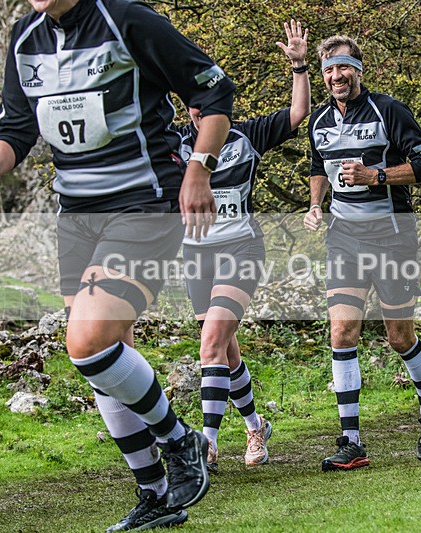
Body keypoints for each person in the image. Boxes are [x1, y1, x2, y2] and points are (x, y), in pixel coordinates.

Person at [0, 0, 235, 530]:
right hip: (77, 217)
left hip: (144, 203)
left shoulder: (128, 20)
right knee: (107, 358)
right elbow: (16, 129)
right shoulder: (25, 37)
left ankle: (181, 441)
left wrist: (199, 168)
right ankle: (156, 494)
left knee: (86, 342)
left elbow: (215, 91)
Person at [172, 20, 310, 473]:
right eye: (192, 108)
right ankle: (255, 425)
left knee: (211, 343)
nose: (199, 115)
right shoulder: (176, 145)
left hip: (241, 249)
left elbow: (297, 115)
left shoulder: (247, 135)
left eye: (205, 107)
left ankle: (207, 445)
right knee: (225, 351)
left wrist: (299, 66)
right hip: (197, 254)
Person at [303, 35, 421, 470]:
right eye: (328, 69)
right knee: (342, 332)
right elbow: (318, 166)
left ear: (358, 70)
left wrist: (376, 175)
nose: (336, 76)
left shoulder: (389, 110)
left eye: (343, 67)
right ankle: (351, 442)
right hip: (344, 238)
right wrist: (315, 204)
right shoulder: (318, 120)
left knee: (399, 337)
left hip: (392, 237)